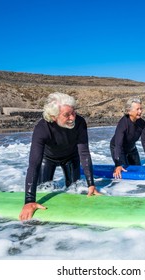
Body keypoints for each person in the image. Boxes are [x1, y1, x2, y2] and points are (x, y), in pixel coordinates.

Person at [19, 92, 101, 221]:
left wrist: (91, 185)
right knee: (43, 189)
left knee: (74, 190)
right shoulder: (42, 128)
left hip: (71, 158)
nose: (72, 118)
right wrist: (29, 201)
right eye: (66, 115)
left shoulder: (80, 122)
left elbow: (84, 153)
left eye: (73, 113)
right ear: (53, 116)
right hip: (48, 159)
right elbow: (34, 164)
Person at [110, 97, 145, 179]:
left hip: (132, 149)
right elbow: (118, 144)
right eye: (137, 109)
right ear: (129, 111)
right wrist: (118, 164)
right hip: (118, 149)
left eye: (141, 109)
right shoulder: (123, 123)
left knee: (138, 170)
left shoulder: (142, 123)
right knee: (125, 172)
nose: (140, 112)